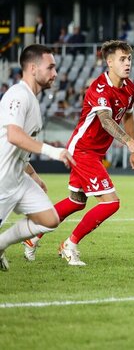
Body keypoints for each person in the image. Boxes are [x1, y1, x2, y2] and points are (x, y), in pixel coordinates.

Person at [23, 41, 134, 266]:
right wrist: (127, 142)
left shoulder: (130, 87)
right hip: (82, 150)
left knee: (76, 202)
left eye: (129, 59)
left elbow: (128, 116)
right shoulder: (99, 88)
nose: (127, 63)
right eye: (122, 59)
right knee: (111, 203)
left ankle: (32, 237)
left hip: (94, 153)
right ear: (109, 62)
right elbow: (106, 121)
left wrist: (133, 148)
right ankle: (70, 244)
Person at [0, 45, 75, 271]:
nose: (54, 73)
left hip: (18, 179)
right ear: (33, 68)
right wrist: (53, 151)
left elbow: (20, 148)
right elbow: (14, 136)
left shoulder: (32, 99)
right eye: (50, 67)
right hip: (2, 181)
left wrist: (34, 175)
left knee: (50, 220)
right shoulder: (18, 95)